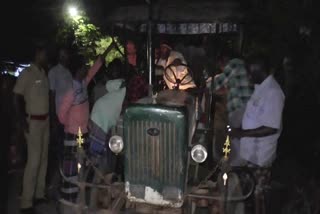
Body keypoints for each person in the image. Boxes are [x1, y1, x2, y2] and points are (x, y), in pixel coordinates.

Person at [58, 43, 114, 202]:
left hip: (83, 133)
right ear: (78, 70)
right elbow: (61, 114)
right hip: (73, 133)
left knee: (82, 163)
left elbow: (95, 68)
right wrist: (71, 125)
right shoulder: (71, 90)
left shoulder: (83, 83)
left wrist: (109, 49)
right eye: (83, 67)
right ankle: (70, 194)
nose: (86, 69)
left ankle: (80, 192)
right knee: (72, 165)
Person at [228, 54, 285, 167]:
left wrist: (241, 133)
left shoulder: (273, 92)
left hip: (259, 157)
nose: (247, 76)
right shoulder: (260, 88)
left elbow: (271, 128)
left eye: (250, 73)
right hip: (248, 152)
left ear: (259, 72)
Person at [13, 45, 49, 213]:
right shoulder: (27, 74)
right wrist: (21, 121)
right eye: (43, 53)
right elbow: (17, 97)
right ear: (37, 53)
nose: (45, 56)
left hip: (45, 121)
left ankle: (39, 194)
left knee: (43, 159)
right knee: (33, 162)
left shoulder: (43, 73)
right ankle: (26, 202)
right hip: (32, 122)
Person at [213, 52, 253, 166]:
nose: (222, 70)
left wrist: (205, 87)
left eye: (221, 67)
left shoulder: (234, 64)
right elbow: (228, 89)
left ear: (223, 61)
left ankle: (229, 166)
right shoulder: (242, 66)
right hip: (247, 108)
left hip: (240, 109)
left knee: (227, 132)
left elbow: (215, 85)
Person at [47, 47, 72, 192]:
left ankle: (64, 180)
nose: (65, 57)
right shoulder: (53, 72)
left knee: (67, 151)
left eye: (66, 55)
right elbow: (51, 95)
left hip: (69, 119)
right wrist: (53, 117)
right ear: (59, 56)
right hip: (58, 118)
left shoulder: (68, 73)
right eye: (63, 55)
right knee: (58, 151)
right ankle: (54, 183)